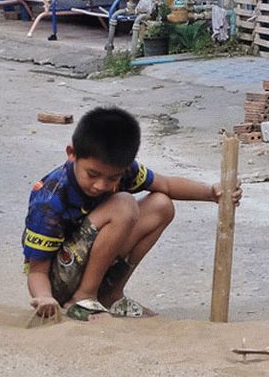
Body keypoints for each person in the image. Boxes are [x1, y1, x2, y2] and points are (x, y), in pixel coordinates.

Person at [22, 106, 242, 321]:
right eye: (93, 174)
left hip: (90, 261)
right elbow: (37, 272)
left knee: (161, 205)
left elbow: (165, 184)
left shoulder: (124, 170)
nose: (100, 185)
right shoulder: (49, 202)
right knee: (124, 205)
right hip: (57, 281)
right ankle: (83, 298)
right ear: (72, 154)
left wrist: (212, 194)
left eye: (112, 178)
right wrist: (44, 297)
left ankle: (110, 295)